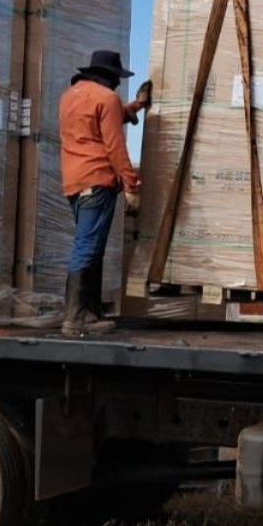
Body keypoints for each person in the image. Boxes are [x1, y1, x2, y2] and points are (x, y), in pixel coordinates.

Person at [57, 49, 150, 335]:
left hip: (74, 182)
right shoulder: (107, 98)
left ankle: (92, 315)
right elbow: (114, 146)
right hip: (98, 181)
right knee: (86, 247)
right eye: (117, 80)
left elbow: (98, 123)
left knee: (92, 247)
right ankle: (74, 319)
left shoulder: (70, 96)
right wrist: (131, 183)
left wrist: (134, 107)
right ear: (109, 77)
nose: (118, 86)